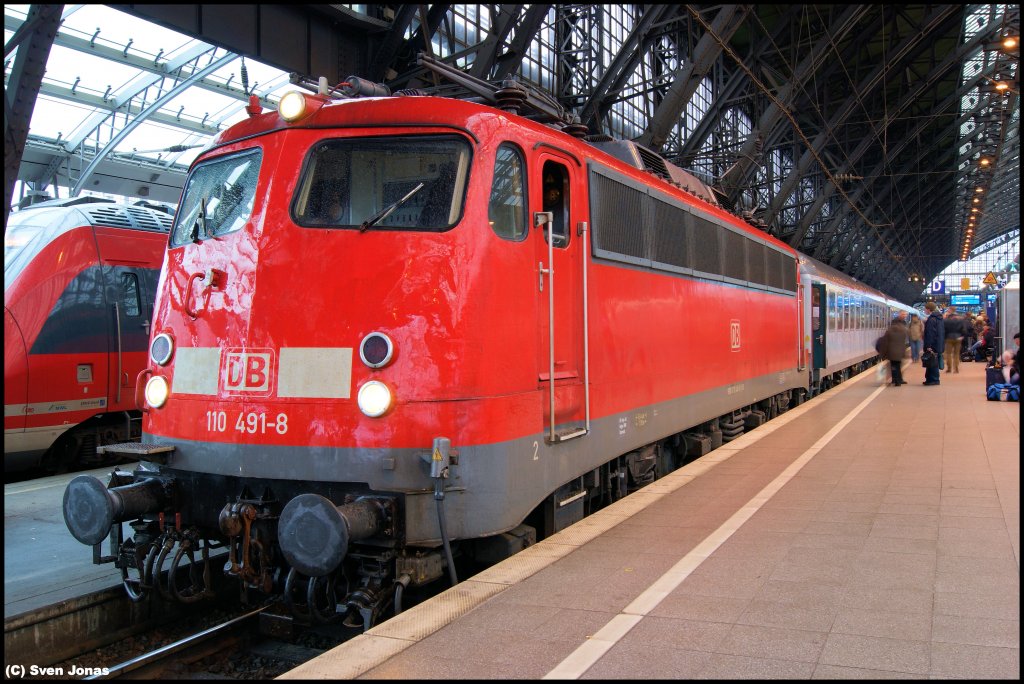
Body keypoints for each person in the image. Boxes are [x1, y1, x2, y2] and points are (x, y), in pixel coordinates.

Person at [882, 314, 908, 386]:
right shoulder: (903, 330)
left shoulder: (889, 331)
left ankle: (895, 380)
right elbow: (904, 340)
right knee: (898, 366)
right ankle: (899, 380)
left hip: (892, 352)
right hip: (900, 351)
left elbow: (885, 341)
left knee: (893, 366)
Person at [922, 301, 945, 385]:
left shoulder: (931, 319)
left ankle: (934, 380)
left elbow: (930, 334)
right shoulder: (939, 319)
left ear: (928, 309)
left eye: (925, 308)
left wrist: (928, 345)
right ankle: (929, 379)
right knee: (932, 361)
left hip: (933, 345)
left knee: (933, 362)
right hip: (938, 343)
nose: (924, 310)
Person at [943, 306, 966, 374]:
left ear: (950, 310)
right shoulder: (960, 320)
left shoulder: (946, 320)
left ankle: (949, 368)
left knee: (948, 354)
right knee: (956, 354)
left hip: (948, 338)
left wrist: (944, 337)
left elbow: (944, 330)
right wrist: (962, 336)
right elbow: (964, 329)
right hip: (958, 338)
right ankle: (956, 369)